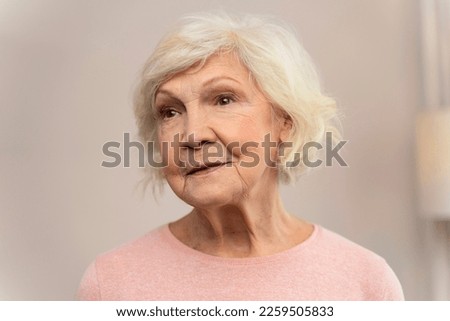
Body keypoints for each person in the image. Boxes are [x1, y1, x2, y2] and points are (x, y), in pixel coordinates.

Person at [77, 12, 404, 300]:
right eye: (170, 111)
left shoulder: (366, 283)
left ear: (284, 123)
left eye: (223, 100)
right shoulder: (111, 285)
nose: (192, 135)